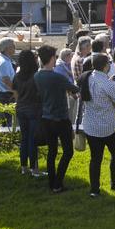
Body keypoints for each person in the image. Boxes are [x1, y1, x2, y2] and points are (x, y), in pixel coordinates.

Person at [34, 45, 80, 194]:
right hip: (60, 118)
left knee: (52, 151)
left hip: (46, 117)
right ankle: (58, 183)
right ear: (52, 58)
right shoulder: (57, 77)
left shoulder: (37, 76)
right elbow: (75, 88)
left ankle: (52, 182)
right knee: (68, 151)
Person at [80, 53, 115, 197]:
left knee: (95, 159)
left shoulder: (85, 78)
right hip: (108, 126)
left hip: (91, 125)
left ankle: (94, 190)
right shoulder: (109, 85)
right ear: (106, 66)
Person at [12, 50, 43, 177]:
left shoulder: (17, 76)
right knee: (32, 139)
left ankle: (24, 167)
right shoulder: (36, 76)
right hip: (34, 109)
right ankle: (34, 168)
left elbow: (15, 94)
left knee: (24, 138)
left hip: (21, 108)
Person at [0, 38, 17, 128]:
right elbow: (6, 80)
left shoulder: (0, 59)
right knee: (7, 124)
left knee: (4, 122)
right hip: (5, 96)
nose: (15, 48)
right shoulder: (3, 62)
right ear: (7, 48)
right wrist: (15, 92)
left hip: (1, 94)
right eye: (13, 46)